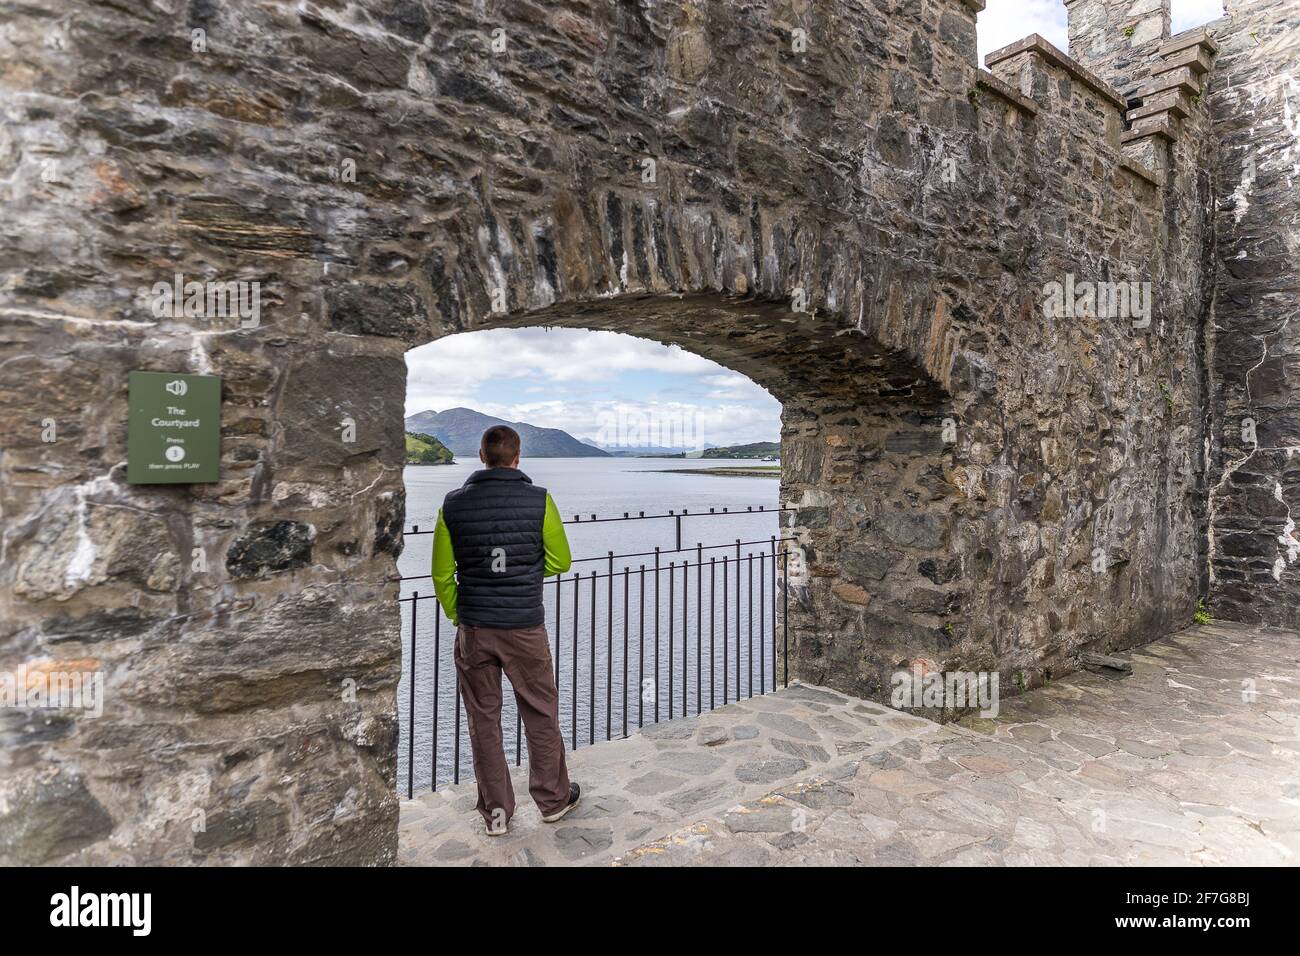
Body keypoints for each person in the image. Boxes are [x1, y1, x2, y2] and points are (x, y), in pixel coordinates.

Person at [431, 425, 581, 835]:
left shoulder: (452, 505)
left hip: (476, 628)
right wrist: (526, 576)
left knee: (484, 720)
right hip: (524, 627)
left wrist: (459, 614)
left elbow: (442, 575)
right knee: (540, 711)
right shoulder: (539, 500)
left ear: (481, 456)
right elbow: (561, 560)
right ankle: (552, 800)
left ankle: (497, 815)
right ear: (517, 458)